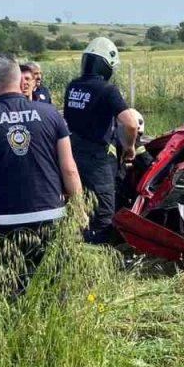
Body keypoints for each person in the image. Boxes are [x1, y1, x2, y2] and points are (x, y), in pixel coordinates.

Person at [0, 55, 81, 299]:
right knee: (54, 286)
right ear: (21, 81)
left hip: (5, 219)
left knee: (14, 287)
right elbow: (69, 168)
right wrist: (79, 207)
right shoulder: (50, 114)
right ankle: (56, 323)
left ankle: (18, 322)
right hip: (50, 213)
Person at [63, 37, 138, 244]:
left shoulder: (72, 86)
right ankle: (99, 249)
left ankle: (78, 243)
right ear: (106, 65)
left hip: (73, 153)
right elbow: (131, 124)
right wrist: (130, 147)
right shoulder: (107, 90)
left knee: (80, 203)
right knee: (103, 211)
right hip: (97, 158)